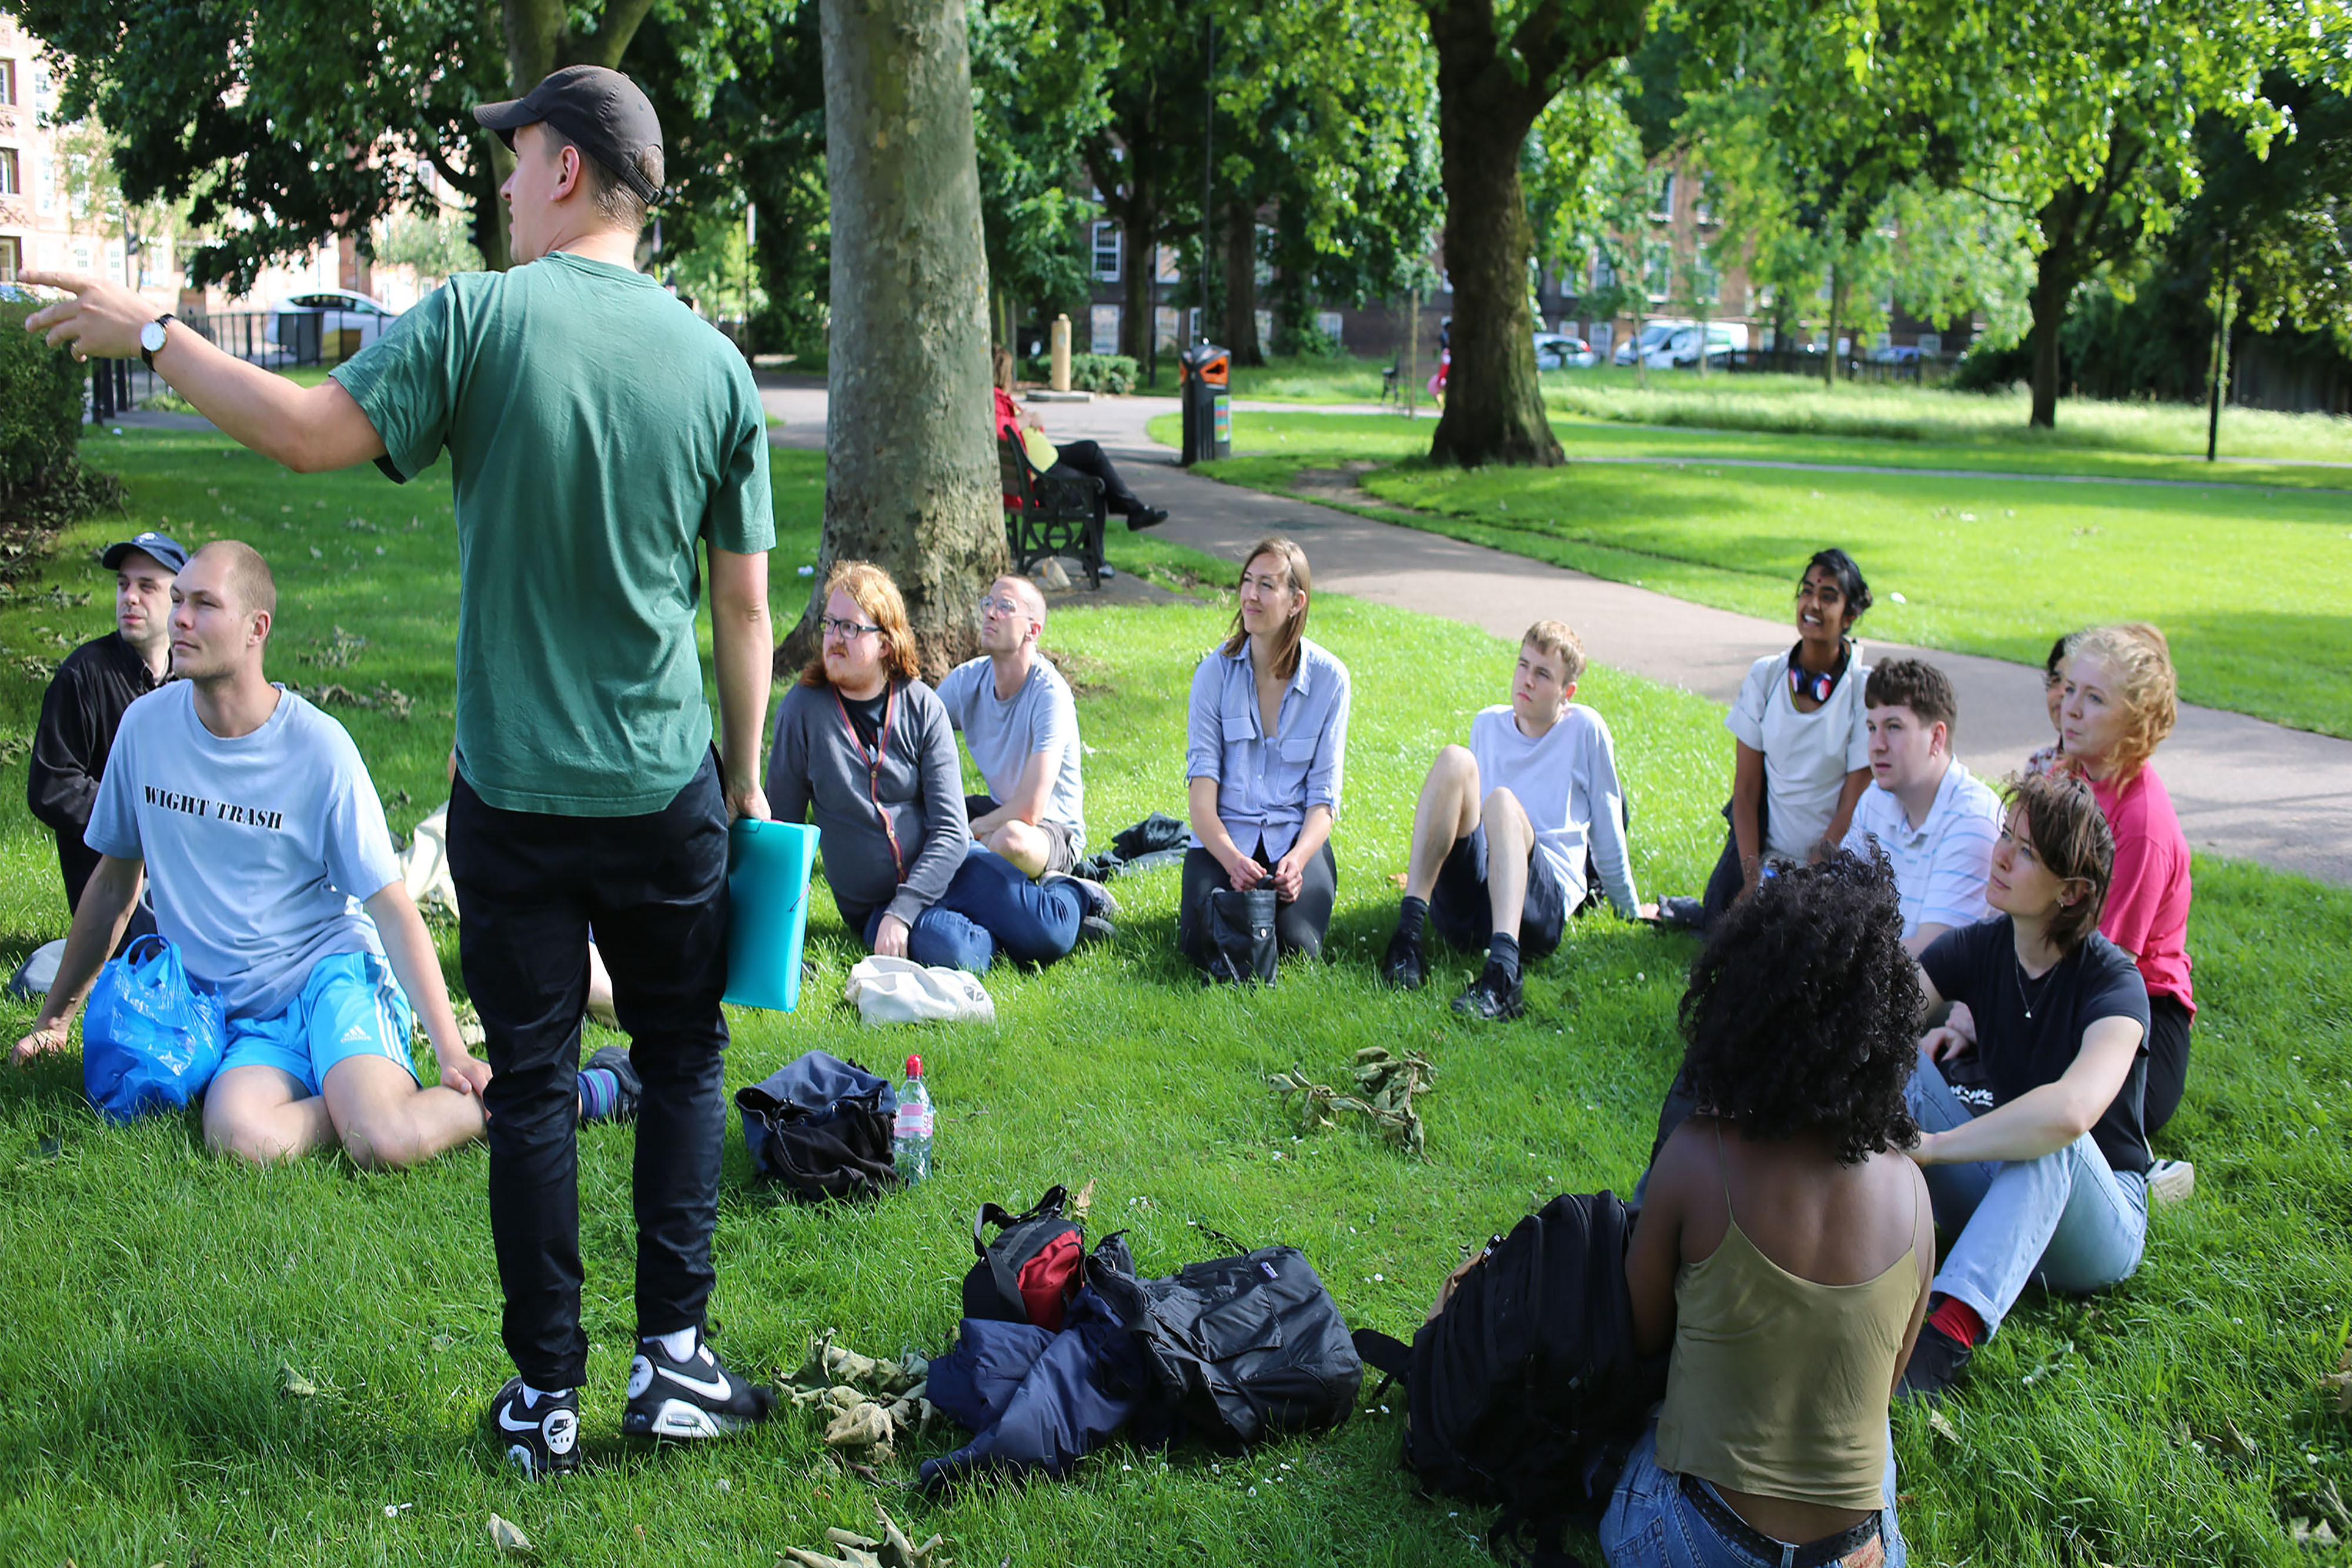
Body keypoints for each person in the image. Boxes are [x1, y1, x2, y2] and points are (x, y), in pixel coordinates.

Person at [26, 64, 782, 1473]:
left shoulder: (481, 320)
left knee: (540, 1082)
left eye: (513, 157)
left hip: (512, 798)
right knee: (679, 1063)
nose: (500, 182)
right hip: (665, 788)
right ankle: (672, 1365)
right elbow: (742, 613)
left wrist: (160, 334)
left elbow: (309, 434)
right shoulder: (717, 364)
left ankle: (544, 1398)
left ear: (564, 167)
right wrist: (741, 785)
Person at [11, 543, 492, 1172]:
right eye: (177, 600)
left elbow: (392, 907)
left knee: (385, 1141)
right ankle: (350, 1101)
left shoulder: (319, 748)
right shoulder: (145, 730)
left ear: (256, 628)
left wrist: (451, 1049)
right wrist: (55, 1020)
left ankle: (536, 1091)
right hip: (239, 1016)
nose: (180, 617)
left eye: (204, 605)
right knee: (237, 1139)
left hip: (331, 977)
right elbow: (111, 889)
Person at [1606, 852, 1931, 1568]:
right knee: (1876, 1458)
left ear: (1741, 1006)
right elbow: (1883, 1386)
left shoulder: (1697, 1159)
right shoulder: (1912, 1190)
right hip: (1853, 1553)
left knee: (1646, 1430)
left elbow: (1641, 1335)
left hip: (1699, 1544)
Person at [1895, 770, 2151, 1400]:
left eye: (2027, 851)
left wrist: (1931, 1147)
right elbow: (1879, 1021)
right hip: (2002, 1191)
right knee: (1889, 1059)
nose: (2001, 854)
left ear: (2071, 892)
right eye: (2007, 836)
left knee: (2056, 1135)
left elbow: (2071, 1112)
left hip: (2096, 1223)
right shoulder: (1977, 948)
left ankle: (1943, 1342)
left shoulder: (2114, 984)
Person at [766, 561, 1111, 972]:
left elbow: (951, 830)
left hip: (953, 869)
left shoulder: (922, 707)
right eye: (830, 624)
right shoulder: (802, 711)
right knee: (960, 954)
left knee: (1049, 931)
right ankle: (1002, 928)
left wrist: (906, 909)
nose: (835, 638)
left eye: (851, 628)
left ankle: (1073, 893)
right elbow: (783, 832)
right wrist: (775, 942)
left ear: (886, 643)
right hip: (875, 901)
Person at [1379, 619, 1648, 1021]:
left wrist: (1629, 907)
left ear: (1566, 692)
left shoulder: (1585, 729)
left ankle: (1504, 975)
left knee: (1502, 802)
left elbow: (1608, 828)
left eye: (1543, 674)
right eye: (1523, 665)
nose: (1527, 680)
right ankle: (1407, 937)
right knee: (1455, 759)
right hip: (1476, 902)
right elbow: (1465, 825)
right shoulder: (1488, 723)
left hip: (1538, 908)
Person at [1659, 549, 1873, 931]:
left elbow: (1852, 803)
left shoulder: (1863, 690)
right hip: (1761, 851)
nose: (1812, 604)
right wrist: (1752, 875)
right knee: (1723, 932)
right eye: (1807, 591)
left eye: (1828, 596)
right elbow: (1745, 791)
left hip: (1832, 861)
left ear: (1850, 615)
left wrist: (1809, 877)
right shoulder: (1766, 676)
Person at [1180, 538, 1351, 971]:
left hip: (1293, 840)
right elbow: (1201, 799)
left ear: (1297, 602)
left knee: (1296, 948)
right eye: (1248, 582)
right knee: (1202, 944)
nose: (1251, 595)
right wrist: (1232, 860)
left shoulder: (1331, 681)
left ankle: (1281, 904)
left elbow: (1324, 798)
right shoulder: (1213, 674)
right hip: (1224, 840)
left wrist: (1297, 859)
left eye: (1267, 586)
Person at [2059, 623, 2195, 1158]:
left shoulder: (2142, 823)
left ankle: (2137, 1176)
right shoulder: (2068, 772)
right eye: (2071, 689)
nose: (2071, 707)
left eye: (2094, 698)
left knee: (2054, 1104)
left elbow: (2109, 964)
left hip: (2136, 1012)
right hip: (2064, 974)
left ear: (2134, 722)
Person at [26, 529, 185, 947]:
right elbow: (51, 787)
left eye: (147, 587)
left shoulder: (191, 678)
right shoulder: (83, 675)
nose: (130, 596)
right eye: (123, 585)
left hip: (189, 872)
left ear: (178, 599)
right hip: (114, 888)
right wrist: (141, 817)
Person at [1838, 658, 2002, 955]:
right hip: (1872, 982)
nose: (1877, 744)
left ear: (1936, 737)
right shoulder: (1876, 798)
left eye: (1894, 727)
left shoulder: (1973, 821)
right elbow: (1837, 901)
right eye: (1872, 728)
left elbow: (1934, 958)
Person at [934, 574, 1088, 879]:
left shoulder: (1050, 695)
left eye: (1005, 606)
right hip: (998, 809)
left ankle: (1071, 888)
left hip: (1049, 829)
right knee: (912, 818)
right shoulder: (967, 681)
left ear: (1034, 630)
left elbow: (1031, 808)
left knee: (1011, 841)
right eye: (988, 603)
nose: (990, 613)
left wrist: (971, 830)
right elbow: (918, 732)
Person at [991, 348, 1168, 530]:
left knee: (1091, 451)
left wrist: (1032, 421)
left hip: (1045, 461)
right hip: (1040, 476)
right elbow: (997, 427)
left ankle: (1133, 508)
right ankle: (1099, 555)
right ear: (1004, 375)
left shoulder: (1001, 399)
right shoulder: (994, 399)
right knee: (1095, 487)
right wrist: (1021, 421)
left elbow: (1022, 429)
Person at [2023, 631, 2079, 779]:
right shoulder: (2040, 764)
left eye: (2072, 686)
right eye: (2056, 680)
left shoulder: (2101, 773)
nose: (2062, 692)